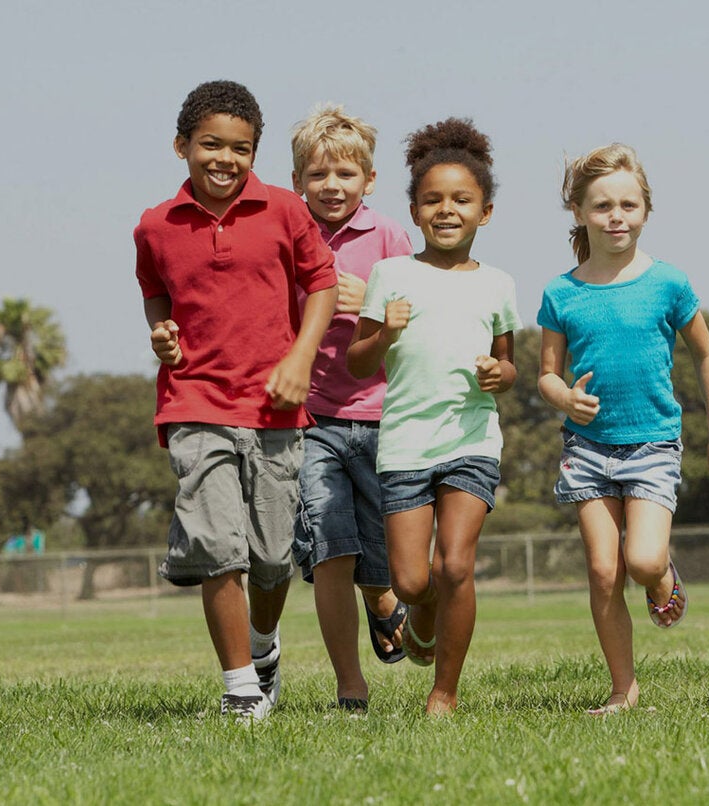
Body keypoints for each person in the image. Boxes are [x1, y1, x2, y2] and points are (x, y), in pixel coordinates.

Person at [135, 80, 338, 723]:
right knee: (216, 545)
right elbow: (156, 292)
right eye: (209, 145)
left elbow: (322, 283)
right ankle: (240, 689)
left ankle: (261, 645)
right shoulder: (155, 226)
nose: (224, 159)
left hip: (275, 405)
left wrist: (300, 359)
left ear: (256, 153)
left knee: (273, 557)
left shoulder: (284, 210)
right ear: (181, 146)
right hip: (194, 400)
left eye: (240, 149)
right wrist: (162, 333)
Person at [537, 143, 709, 715]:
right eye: (602, 205)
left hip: (653, 443)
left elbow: (706, 356)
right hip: (586, 448)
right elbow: (546, 377)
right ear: (578, 211)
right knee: (604, 572)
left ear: (646, 210)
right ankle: (622, 690)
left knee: (643, 561)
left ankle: (662, 580)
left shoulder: (669, 283)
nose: (616, 216)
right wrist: (565, 398)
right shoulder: (562, 292)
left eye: (628, 204)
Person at [347, 118, 520, 715]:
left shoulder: (499, 285)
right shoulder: (391, 275)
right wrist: (385, 328)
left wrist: (502, 377)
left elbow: (508, 364)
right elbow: (357, 361)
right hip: (404, 446)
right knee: (414, 583)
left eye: (462, 200)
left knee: (455, 565)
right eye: (433, 200)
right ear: (416, 211)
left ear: (486, 212)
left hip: (472, 439)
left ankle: (443, 692)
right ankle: (419, 622)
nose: (447, 210)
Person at [287, 104, 415, 712]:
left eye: (345, 174)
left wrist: (375, 300)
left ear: (368, 180)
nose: (331, 187)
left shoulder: (389, 236)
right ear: (297, 182)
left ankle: (383, 597)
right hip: (312, 420)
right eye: (317, 175)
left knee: (383, 555)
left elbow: (419, 317)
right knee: (330, 547)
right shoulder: (287, 234)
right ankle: (349, 683)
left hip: (386, 415)